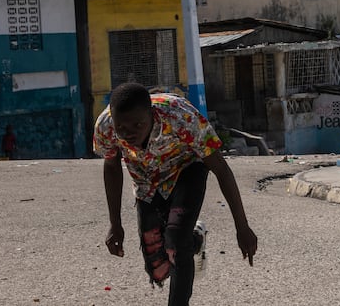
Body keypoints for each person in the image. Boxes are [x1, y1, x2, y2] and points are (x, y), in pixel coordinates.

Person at [94, 83, 257, 306]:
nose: (129, 133)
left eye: (138, 124)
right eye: (121, 127)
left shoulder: (181, 117)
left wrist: (242, 226)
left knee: (176, 241)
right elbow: (112, 168)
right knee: (158, 269)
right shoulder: (105, 126)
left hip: (187, 169)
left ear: (151, 114)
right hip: (146, 180)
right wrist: (115, 223)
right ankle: (195, 239)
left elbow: (221, 168)